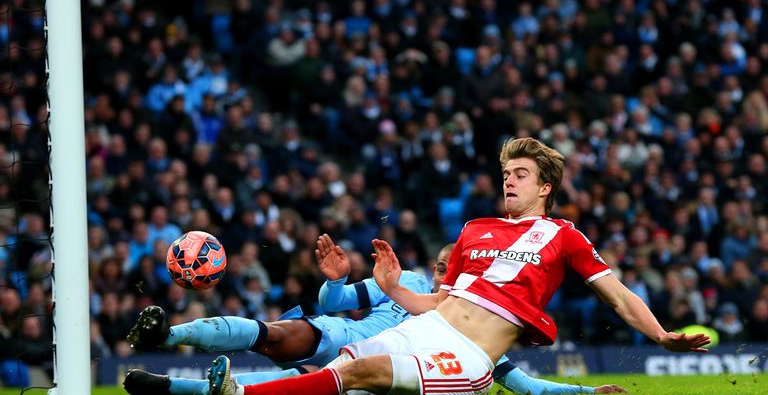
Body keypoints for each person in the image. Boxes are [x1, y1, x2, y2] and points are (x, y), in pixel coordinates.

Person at [207, 137, 709, 395]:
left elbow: (619, 297)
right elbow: (440, 302)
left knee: (363, 373)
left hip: (470, 356)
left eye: (521, 175)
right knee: (342, 370)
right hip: (427, 329)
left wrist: (662, 337)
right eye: (506, 173)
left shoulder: (563, 235)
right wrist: (391, 288)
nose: (509, 181)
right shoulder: (474, 229)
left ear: (545, 188)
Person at [124, 235, 622, 394]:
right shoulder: (407, 283)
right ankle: (168, 333)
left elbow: (525, 385)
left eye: (462, 267)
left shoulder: (471, 321)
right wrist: (338, 278)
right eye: (446, 267)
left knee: (299, 383)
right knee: (271, 333)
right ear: (434, 268)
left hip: (381, 365)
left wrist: (583, 391)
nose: (453, 274)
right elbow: (335, 303)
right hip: (343, 334)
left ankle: (168, 387)